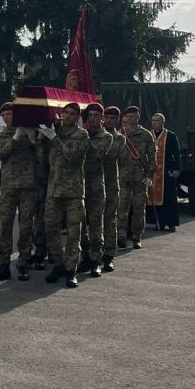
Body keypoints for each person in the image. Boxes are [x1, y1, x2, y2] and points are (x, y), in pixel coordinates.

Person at [0, 102, 50, 282]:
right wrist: (15, 138)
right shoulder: (2, 135)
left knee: (26, 228)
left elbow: (42, 158)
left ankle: (24, 263)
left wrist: (33, 140)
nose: (7, 118)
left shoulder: (32, 132)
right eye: (4, 115)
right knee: (5, 227)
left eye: (10, 114)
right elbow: (0, 154)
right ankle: (4, 264)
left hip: (29, 188)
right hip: (9, 188)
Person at [43, 102, 90, 288]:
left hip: (73, 192)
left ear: (78, 117)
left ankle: (71, 270)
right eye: (66, 113)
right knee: (50, 228)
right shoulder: (54, 131)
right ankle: (59, 264)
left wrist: (54, 138)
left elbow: (73, 156)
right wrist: (44, 135)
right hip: (54, 189)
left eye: (72, 114)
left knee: (73, 233)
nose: (68, 116)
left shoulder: (82, 135)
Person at [79, 103, 113, 278]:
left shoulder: (106, 137)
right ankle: (85, 257)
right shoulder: (81, 134)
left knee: (95, 225)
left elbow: (94, 154)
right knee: (79, 226)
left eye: (96, 115)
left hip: (96, 187)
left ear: (102, 118)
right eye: (90, 115)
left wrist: (82, 135)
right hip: (79, 186)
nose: (92, 118)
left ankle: (95, 260)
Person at [116, 105, 157, 251]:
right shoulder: (120, 134)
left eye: (133, 116)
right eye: (128, 116)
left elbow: (152, 156)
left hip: (140, 177)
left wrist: (150, 176)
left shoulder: (146, 135)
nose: (130, 119)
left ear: (138, 117)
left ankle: (136, 237)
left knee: (139, 209)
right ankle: (121, 236)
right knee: (121, 208)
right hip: (122, 177)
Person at [100, 106, 125, 272]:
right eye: (107, 118)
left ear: (118, 121)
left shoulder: (119, 138)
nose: (109, 121)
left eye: (113, 119)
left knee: (109, 219)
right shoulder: (92, 134)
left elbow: (108, 154)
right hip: (94, 183)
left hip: (110, 184)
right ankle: (92, 254)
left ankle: (109, 255)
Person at [147, 112, 181, 233]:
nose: (154, 123)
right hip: (152, 173)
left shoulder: (170, 136)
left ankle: (171, 223)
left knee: (169, 198)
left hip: (166, 171)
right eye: (153, 121)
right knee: (152, 197)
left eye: (157, 121)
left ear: (162, 122)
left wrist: (177, 169)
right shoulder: (148, 135)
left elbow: (176, 154)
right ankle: (158, 222)